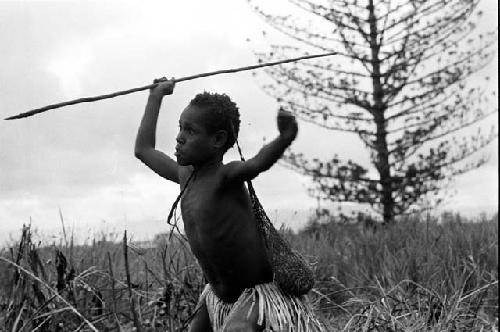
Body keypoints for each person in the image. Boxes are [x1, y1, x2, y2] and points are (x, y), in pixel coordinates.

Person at [134, 78, 324, 331]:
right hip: (217, 297)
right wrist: (155, 96)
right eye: (180, 128)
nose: (179, 137)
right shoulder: (183, 175)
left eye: (190, 131)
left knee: (237, 330)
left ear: (218, 140)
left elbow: (256, 164)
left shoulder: (225, 177)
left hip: (257, 295)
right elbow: (144, 150)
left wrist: (285, 138)